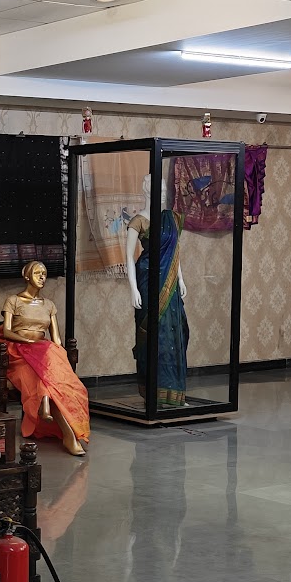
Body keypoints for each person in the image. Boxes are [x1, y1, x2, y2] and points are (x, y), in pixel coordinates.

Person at [0, 260, 89, 456]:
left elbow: (56, 339)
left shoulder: (49, 305)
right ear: (27, 276)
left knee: (69, 386)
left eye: (45, 274)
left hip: (43, 350)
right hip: (18, 352)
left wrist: (59, 357)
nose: (42, 277)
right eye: (37, 273)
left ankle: (47, 403)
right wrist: (26, 341)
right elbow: (6, 331)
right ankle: (68, 436)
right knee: (42, 374)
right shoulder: (13, 300)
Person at [125, 175, 189, 409]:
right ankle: (152, 391)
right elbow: (129, 260)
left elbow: (175, 253)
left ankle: (174, 393)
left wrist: (180, 279)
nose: (163, 191)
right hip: (148, 280)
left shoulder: (171, 219)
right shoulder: (138, 221)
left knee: (173, 334)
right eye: (157, 187)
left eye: (164, 187)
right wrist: (133, 288)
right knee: (152, 334)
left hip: (170, 284)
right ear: (145, 189)